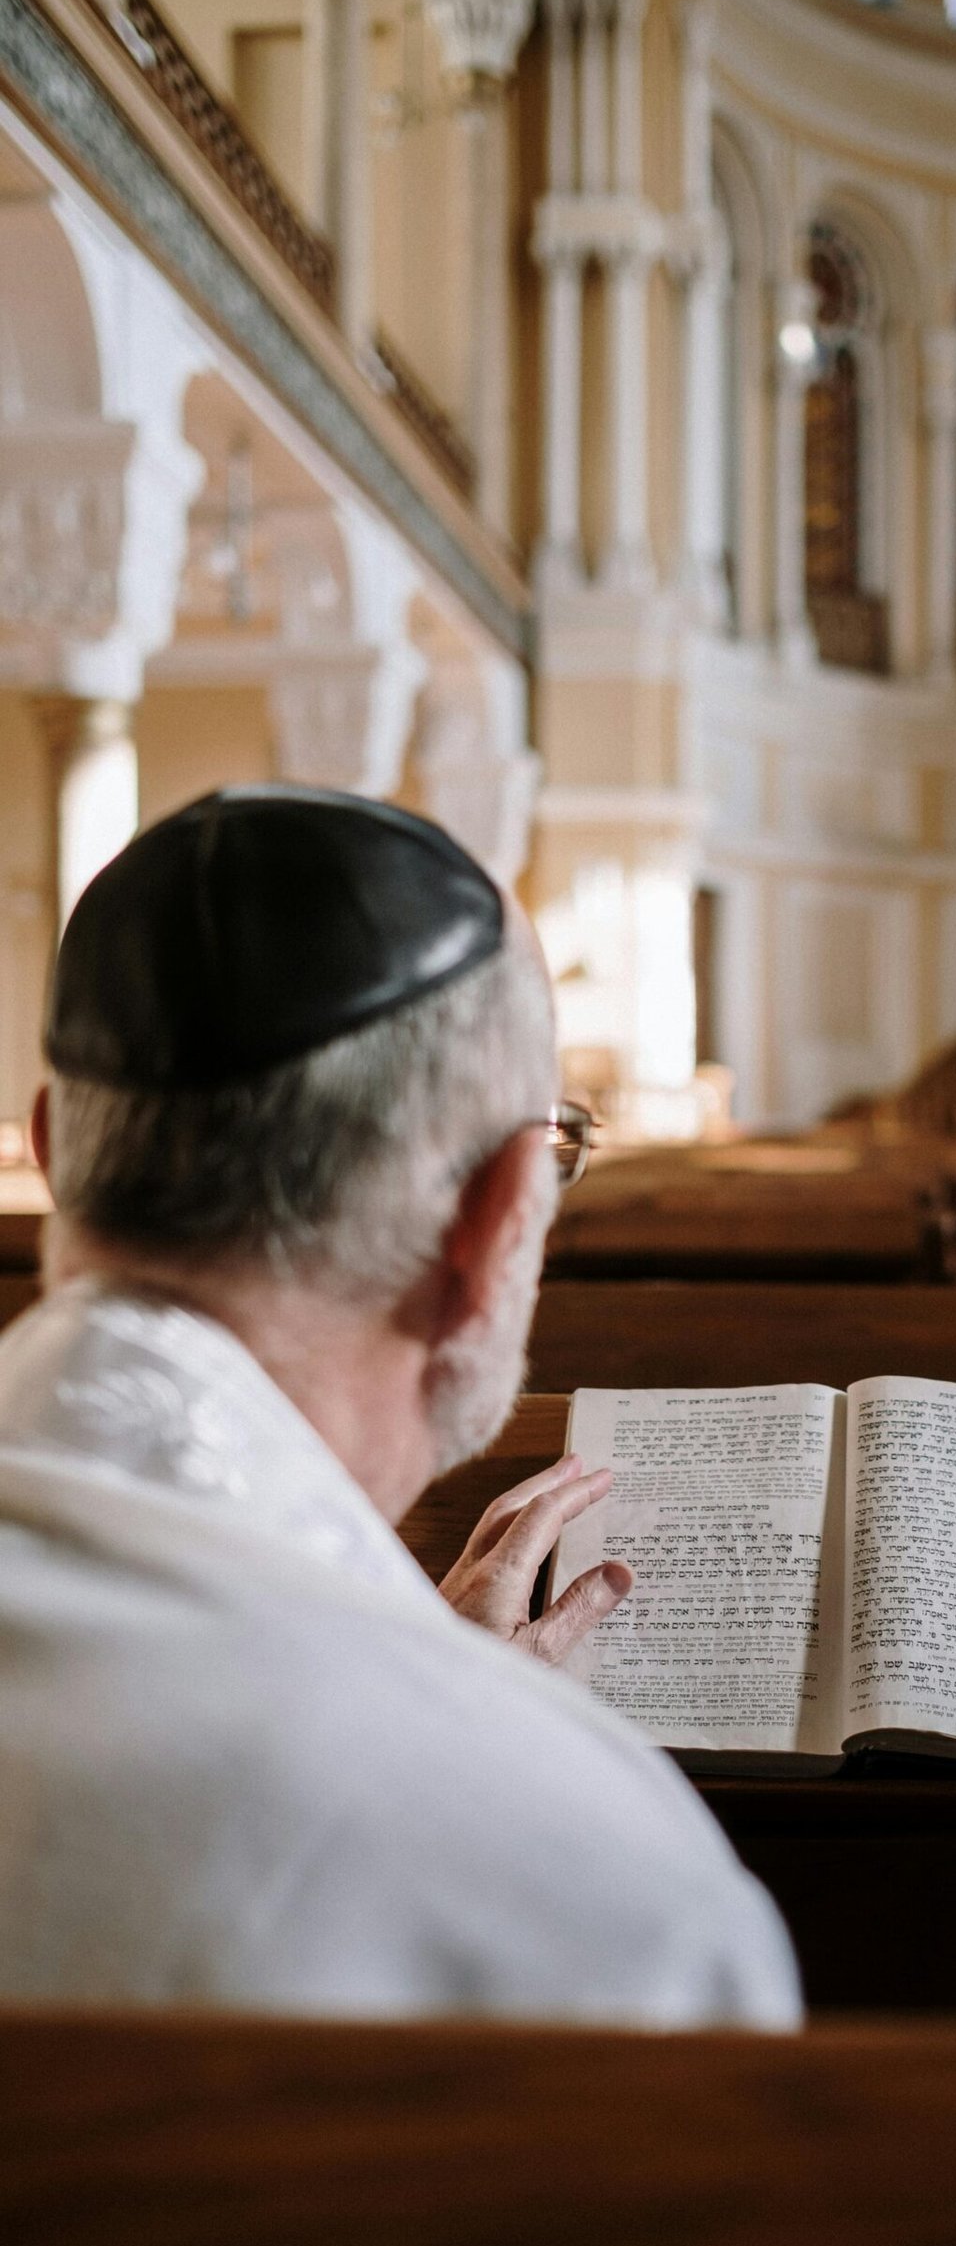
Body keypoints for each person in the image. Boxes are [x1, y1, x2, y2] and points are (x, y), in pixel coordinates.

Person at [0, 788, 800, 2026]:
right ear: (492, 1220)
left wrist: (420, 1666)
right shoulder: (591, 1882)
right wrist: (445, 1714)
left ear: (55, 1157)